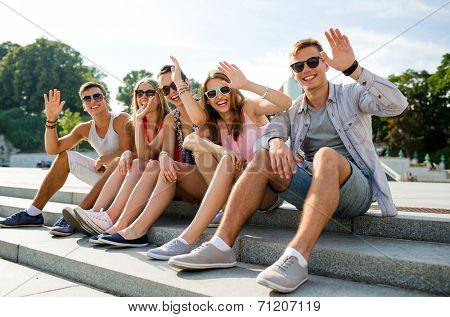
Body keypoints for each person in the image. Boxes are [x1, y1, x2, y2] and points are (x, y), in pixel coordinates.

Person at [167, 28, 408, 293]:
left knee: (327, 156)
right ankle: (221, 246)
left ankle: (296, 257)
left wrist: (353, 68)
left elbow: (397, 105)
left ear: (325, 64)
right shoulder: (294, 110)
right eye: (298, 65)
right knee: (262, 157)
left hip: (355, 189)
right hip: (313, 187)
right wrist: (276, 142)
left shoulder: (351, 94)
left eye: (312, 62)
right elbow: (273, 129)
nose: (306, 69)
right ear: (293, 72)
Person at [147, 57, 291, 260]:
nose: (219, 97)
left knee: (221, 159)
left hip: (267, 189)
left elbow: (285, 102)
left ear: (232, 90)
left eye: (224, 90)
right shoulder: (213, 122)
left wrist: (247, 84)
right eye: (212, 93)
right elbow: (190, 139)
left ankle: (188, 239)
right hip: (241, 188)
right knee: (201, 149)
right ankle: (222, 210)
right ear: (207, 98)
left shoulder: (248, 108)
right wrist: (222, 150)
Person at [98, 64, 208, 247]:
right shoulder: (172, 118)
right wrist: (140, 122)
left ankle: (136, 230)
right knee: (152, 165)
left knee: (163, 166)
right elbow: (146, 155)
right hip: (186, 183)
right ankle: (122, 225)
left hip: (211, 181)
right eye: (165, 89)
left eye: (175, 85)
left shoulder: (205, 105)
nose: (172, 92)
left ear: (185, 83)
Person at [0, 83, 131, 235]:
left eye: (97, 96)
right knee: (65, 156)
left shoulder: (121, 118)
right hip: (107, 180)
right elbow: (53, 149)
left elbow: (127, 152)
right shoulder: (85, 128)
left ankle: (75, 217)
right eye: (87, 98)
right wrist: (51, 120)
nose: (93, 101)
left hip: (129, 181)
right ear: (83, 106)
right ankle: (33, 213)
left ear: (107, 100)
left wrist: (104, 159)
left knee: (115, 162)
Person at [63, 78, 170, 240]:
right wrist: (128, 152)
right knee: (130, 162)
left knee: (139, 163)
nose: (144, 97)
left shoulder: (167, 120)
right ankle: (96, 213)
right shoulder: (136, 122)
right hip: (148, 173)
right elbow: (142, 155)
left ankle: (109, 217)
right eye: (139, 93)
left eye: (149, 93)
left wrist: (138, 126)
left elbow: (148, 155)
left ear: (160, 96)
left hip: (166, 177)